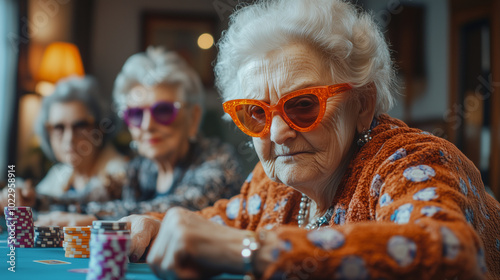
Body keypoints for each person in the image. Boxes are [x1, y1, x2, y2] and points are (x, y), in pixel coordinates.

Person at [120, 0, 500, 279]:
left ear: (363, 104)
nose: (277, 132)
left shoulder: (413, 161)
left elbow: (450, 251)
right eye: (256, 113)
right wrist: (155, 224)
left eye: (302, 105)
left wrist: (249, 251)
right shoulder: (274, 186)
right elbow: (214, 223)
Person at [84, 47, 244, 220]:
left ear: (193, 118)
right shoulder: (141, 168)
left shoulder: (219, 161)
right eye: (136, 114)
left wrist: (89, 216)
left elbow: (177, 211)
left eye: (163, 111)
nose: (147, 125)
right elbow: (83, 197)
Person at [0, 76, 128, 226]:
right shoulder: (61, 173)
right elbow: (34, 201)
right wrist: (16, 196)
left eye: (80, 126)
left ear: (99, 128)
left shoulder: (122, 173)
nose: (69, 138)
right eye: (58, 128)